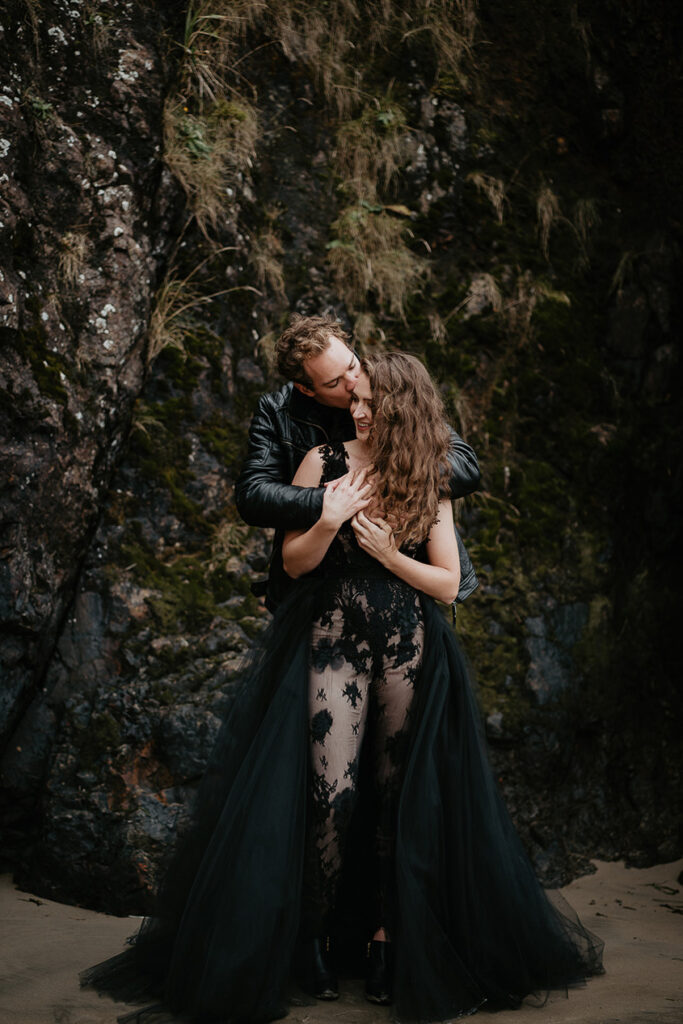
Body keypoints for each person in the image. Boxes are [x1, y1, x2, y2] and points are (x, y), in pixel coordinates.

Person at [83, 352, 603, 1024]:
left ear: (401, 408)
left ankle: (388, 940)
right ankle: (315, 934)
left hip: (406, 638)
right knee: (333, 795)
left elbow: (447, 584)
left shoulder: (427, 475)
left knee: (395, 797)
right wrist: (329, 519)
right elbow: (292, 563)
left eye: (370, 404)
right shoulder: (322, 462)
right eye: (353, 401)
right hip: (332, 634)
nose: (357, 412)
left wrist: (391, 556)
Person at [234, 313, 480, 612]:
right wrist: (333, 500)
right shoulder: (277, 413)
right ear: (307, 390)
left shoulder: (389, 385)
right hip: (319, 591)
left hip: (405, 589)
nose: (353, 383)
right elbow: (253, 496)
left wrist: (385, 483)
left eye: (352, 364)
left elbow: (465, 465)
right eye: (335, 382)